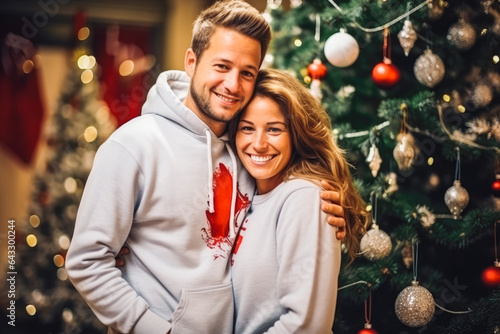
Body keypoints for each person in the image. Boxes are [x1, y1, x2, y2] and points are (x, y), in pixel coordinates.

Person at [66, 1, 346, 334]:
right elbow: (86, 261)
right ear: (191, 62)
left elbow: (285, 209)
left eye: (247, 73)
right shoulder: (133, 146)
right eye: (222, 66)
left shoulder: (246, 146)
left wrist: (326, 214)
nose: (232, 84)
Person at [229, 68, 369, 333]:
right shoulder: (246, 194)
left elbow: (307, 325)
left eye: (274, 129)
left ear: (296, 134)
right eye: (247, 128)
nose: (258, 144)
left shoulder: (304, 197)